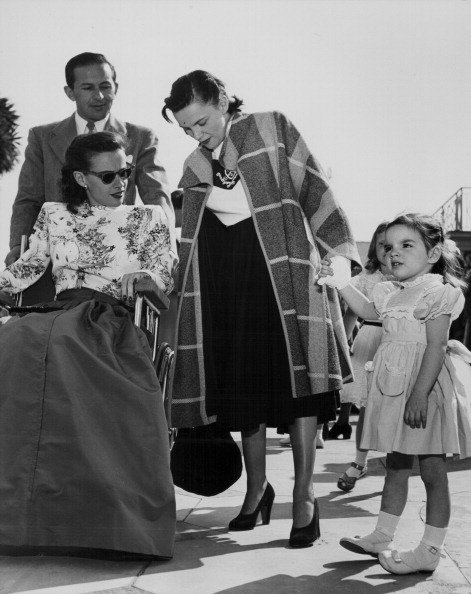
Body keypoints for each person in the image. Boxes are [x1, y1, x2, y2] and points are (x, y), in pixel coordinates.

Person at [161, 70, 360, 548]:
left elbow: (314, 187)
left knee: (300, 392)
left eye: (203, 121)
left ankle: (305, 496)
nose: (197, 134)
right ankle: (256, 491)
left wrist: (337, 253)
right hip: (227, 283)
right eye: (187, 128)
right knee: (246, 391)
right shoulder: (194, 163)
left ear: (225, 100)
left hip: (284, 275)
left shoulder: (272, 128)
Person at [0, 132, 177, 557]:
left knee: (59, 343)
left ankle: (104, 520)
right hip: (56, 314)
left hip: (110, 320)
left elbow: (164, 275)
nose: (121, 182)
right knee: (10, 340)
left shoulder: (149, 217)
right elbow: (26, 270)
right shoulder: (53, 214)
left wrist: (148, 279)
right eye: (108, 175)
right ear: (81, 178)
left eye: (126, 172)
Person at [319, 213, 471, 574]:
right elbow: (369, 311)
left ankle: (430, 550)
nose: (393, 253)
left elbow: (435, 347)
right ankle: (382, 535)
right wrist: (342, 283)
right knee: (395, 465)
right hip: (394, 388)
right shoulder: (389, 290)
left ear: (433, 254)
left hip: (424, 388)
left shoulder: (439, 292)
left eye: (407, 245)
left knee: (433, 471)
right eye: (388, 246)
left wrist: (420, 394)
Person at [6, 51, 173, 305]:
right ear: (70, 92)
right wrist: (18, 250)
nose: (100, 96)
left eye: (106, 86)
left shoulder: (141, 137)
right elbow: (28, 200)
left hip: (119, 270)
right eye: (88, 88)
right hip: (55, 268)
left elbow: (157, 197)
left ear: (116, 87)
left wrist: (165, 254)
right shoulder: (41, 137)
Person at [336, 222, 393, 491]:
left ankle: (395, 463)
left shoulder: (410, 277)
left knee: (393, 408)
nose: (388, 251)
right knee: (367, 406)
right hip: (370, 339)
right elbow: (351, 310)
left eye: (393, 245)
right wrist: (345, 340)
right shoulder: (367, 278)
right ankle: (360, 461)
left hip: (396, 341)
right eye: (383, 245)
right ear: (374, 247)